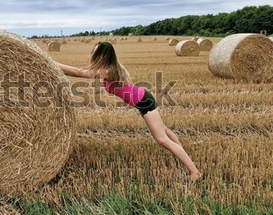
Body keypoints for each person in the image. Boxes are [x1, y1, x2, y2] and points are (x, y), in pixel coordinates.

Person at [56, 41, 201, 182]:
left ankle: (194, 172)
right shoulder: (112, 67)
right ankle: (181, 152)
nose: (93, 51)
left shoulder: (106, 71)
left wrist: (51, 63)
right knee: (164, 130)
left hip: (144, 101)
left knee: (162, 139)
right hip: (143, 99)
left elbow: (78, 72)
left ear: (103, 54)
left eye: (96, 50)